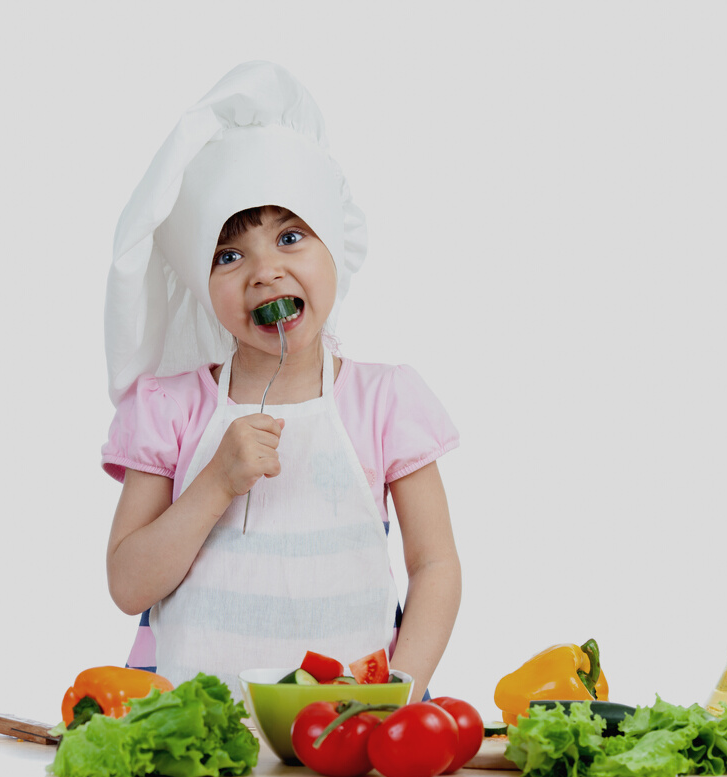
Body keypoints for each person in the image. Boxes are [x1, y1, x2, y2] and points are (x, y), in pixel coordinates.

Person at [100, 62, 460, 702]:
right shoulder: (169, 408)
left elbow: (434, 565)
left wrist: (400, 695)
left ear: (334, 251)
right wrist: (216, 481)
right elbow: (129, 585)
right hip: (201, 737)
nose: (265, 272)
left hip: (347, 731)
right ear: (199, 282)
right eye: (229, 256)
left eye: (290, 237)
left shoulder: (386, 401)